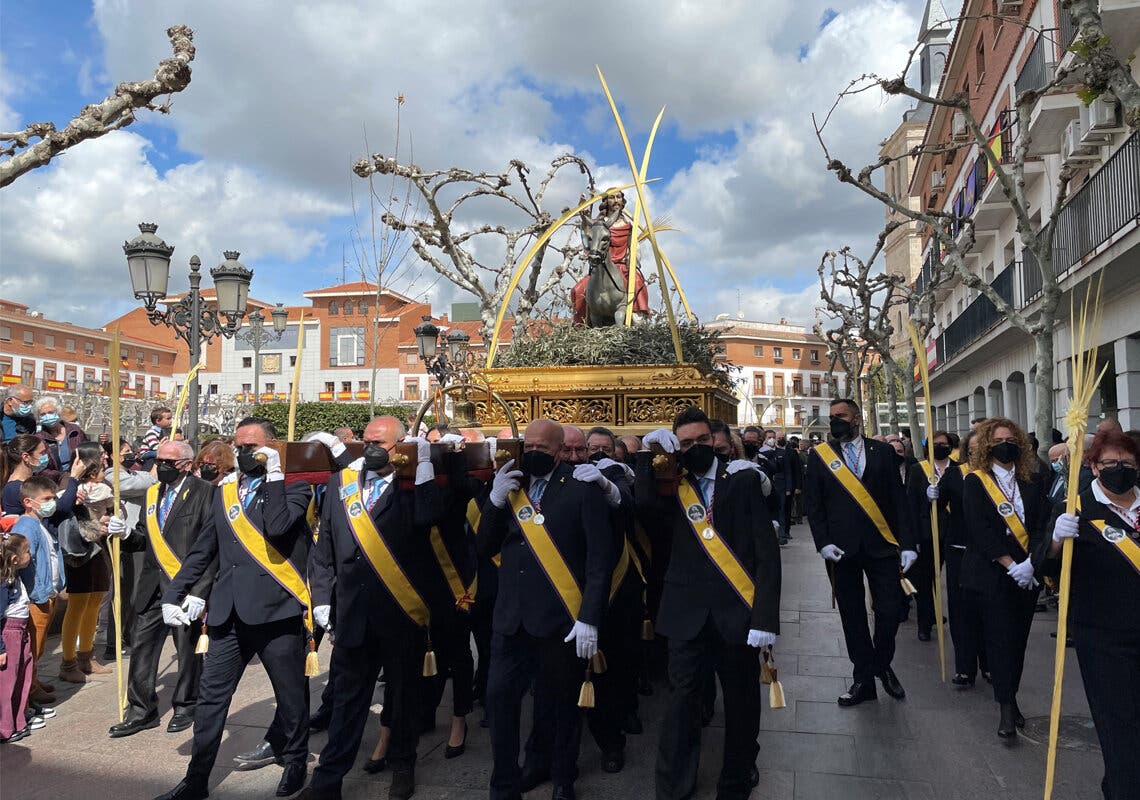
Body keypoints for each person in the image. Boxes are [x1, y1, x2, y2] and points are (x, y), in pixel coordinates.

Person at [154, 417, 314, 800]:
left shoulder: (296, 487)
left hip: (276, 611)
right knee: (211, 699)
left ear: (272, 447)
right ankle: (197, 779)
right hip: (227, 612)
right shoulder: (226, 493)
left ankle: (294, 760)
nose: (242, 453)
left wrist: (275, 475)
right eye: (238, 447)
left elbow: (277, 528)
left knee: (290, 694)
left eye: (251, 447)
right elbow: (204, 548)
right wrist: (174, 593)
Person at [637, 407, 781, 800]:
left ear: (716, 442)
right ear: (677, 447)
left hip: (736, 613)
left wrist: (765, 617)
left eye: (702, 441)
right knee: (681, 703)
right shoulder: (672, 485)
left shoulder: (742, 482)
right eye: (686, 443)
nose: (696, 448)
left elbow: (766, 554)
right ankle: (672, 786)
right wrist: (647, 454)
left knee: (740, 701)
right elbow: (644, 506)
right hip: (685, 615)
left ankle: (736, 777)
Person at [298, 418, 442, 800]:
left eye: (380, 442)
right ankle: (328, 780)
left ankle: (402, 766)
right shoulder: (340, 485)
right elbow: (323, 548)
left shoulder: (412, 488)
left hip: (399, 613)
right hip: (352, 614)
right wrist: (324, 600)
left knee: (403, 697)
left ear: (399, 447)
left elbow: (428, 521)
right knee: (346, 701)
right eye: (366, 441)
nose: (371, 447)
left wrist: (423, 468)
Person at [479, 419, 613, 800]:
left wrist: (589, 617)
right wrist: (493, 501)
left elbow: (598, 561)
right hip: (510, 620)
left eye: (543, 448)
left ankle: (563, 777)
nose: (534, 452)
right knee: (500, 704)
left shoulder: (582, 488)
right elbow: (483, 547)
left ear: (559, 450)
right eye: (529, 446)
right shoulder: (511, 485)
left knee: (561, 706)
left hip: (560, 620)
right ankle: (504, 783)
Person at [1044, 429, 1140, 797]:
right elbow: (1050, 569)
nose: (1120, 469)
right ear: (1094, 466)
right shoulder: (1077, 509)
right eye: (1111, 463)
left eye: (1128, 463)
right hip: (1103, 636)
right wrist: (1055, 542)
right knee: (1119, 724)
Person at [804, 399, 916, 707]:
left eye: (840, 416)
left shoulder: (882, 453)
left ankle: (880, 664)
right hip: (841, 550)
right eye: (832, 417)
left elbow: (899, 501)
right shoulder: (820, 456)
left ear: (857, 418)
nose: (835, 421)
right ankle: (863, 679)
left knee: (890, 611)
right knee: (852, 616)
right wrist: (822, 542)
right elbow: (814, 505)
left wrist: (907, 544)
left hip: (881, 546)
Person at [107, 440, 215, 738]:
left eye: (170, 462)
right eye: (159, 460)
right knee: (142, 645)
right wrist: (127, 533)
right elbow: (146, 538)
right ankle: (141, 709)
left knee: (186, 647)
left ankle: (186, 704)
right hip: (152, 584)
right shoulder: (153, 492)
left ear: (187, 464)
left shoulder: (206, 493)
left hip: (185, 585)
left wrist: (200, 591)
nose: (163, 466)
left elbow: (211, 547)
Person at [961, 417, 1049, 738]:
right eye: (998, 440)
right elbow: (980, 529)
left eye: (1011, 439)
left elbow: (1040, 526)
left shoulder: (1032, 481)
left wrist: (1031, 565)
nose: (1005, 444)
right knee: (1000, 638)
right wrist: (1010, 563)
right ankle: (1006, 707)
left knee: (1019, 641)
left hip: (1026, 575)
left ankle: (1011, 694)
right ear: (987, 445)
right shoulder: (976, 481)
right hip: (993, 573)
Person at [56, 442, 115, 684]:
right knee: (78, 604)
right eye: (100, 455)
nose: (105, 458)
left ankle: (86, 655)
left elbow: (112, 509)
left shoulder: (105, 486)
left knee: (95, 601)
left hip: (99, 547)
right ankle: (68, 661)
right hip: (79, 551)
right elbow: (62, 507)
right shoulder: (70, 485)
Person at [13, 477, 66, 709]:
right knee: (33, 646)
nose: (51, 503)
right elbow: (23, 565)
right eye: (46, 499)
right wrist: (36, 594)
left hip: (47, 593)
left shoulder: (39, 523)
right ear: (28, 501)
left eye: (53, 498)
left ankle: (34, 681)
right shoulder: (26, 527)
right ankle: (30, 689)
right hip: (38, 597)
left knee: (40, 645)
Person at [906, 431, 960, 644]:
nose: (940, 447)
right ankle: (925, 623)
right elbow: (911, 504)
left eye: (944, 444)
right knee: (925, 580)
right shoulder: (919, 470)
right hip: (928, 533)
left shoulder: (958, 469)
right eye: (936, 444)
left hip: (954, 532)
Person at [570, 188, 649, 325]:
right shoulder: (598, 224)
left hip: (622, 266)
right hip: (601, 266)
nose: (616, 200)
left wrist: (632, 259)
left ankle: (637, 315)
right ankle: (581, 323)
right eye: (612, 197)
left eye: (618, 197)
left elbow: (634, 246)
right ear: (606, 201)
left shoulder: (628, 226)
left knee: (636, 280)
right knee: (578, 289)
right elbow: (588, 240)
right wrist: (584, 219)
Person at [1, 533, 34, 744]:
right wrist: (1, 648)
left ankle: (17, 719)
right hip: (10, 633)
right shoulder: (4, 584)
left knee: (23, 674)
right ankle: (4, 727)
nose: (30, 555)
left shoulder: (15, 577)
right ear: (14, 559)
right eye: (27, 552)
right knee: (6, 683)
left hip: (21, 630)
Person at [34, 395, 87, 482]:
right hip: (53, 483)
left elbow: (87, 453)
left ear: (58, 412)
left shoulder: (75, 431)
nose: (47, 416)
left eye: (51, 412)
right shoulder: (38, 438)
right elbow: (40, 468)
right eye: (43, 414)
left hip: (80, 477)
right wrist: (63, 476)